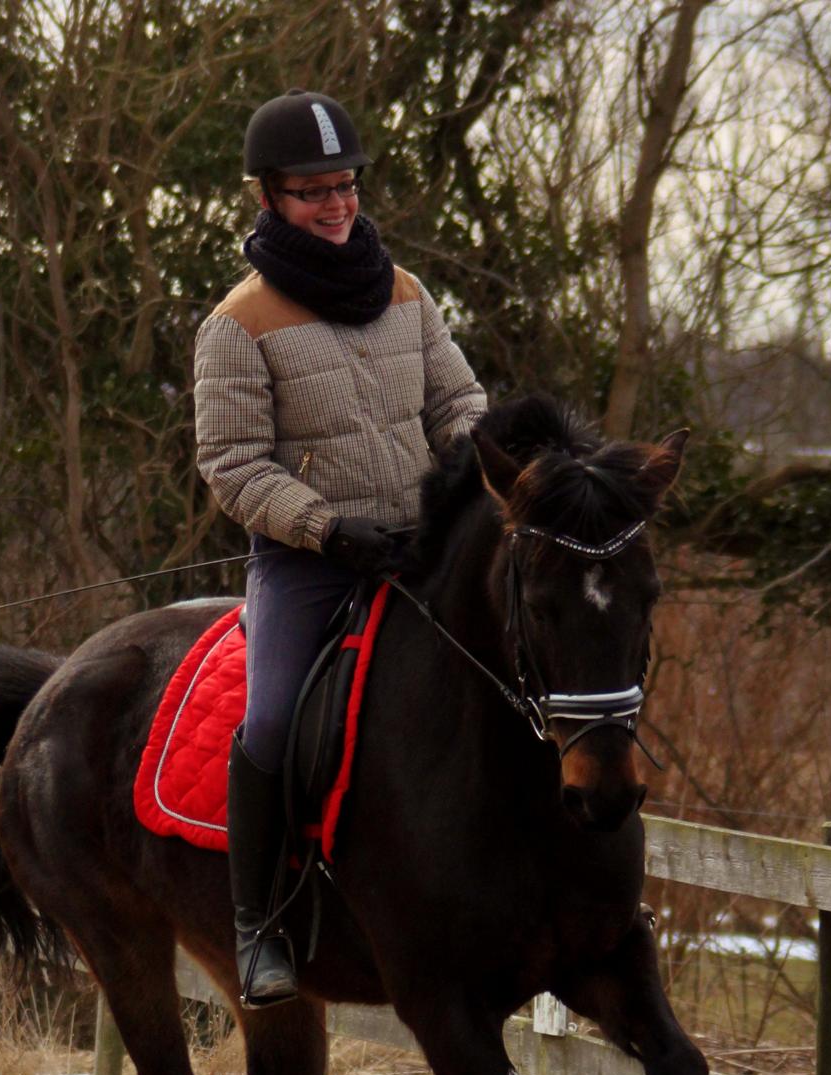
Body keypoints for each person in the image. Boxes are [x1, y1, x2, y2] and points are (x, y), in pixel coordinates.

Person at [194, 88, 486, 1009]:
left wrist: (474, 476)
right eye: (313, 191)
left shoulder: (405, 293)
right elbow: (232, 466)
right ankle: (259, 926)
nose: (336, 204)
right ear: (268, 196)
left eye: (346, 185)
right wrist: (325, 526)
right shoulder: (237, 324)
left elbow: (457, 405)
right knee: (273, 719)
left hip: (424, 546)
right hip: (310, 563)